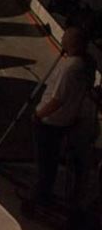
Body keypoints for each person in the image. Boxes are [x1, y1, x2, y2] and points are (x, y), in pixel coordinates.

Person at [29, 27, 97, 210]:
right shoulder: (88, 64)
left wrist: (38, 115)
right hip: (66, 120)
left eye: (65, 37)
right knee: (51, 159)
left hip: (50, 121)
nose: (62, 38)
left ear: (72, 42)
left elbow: (58, 99)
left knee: (45, 162)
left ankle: (41, 198)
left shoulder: (70, 68)